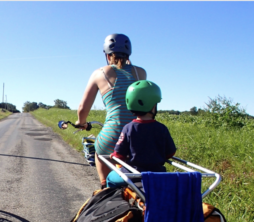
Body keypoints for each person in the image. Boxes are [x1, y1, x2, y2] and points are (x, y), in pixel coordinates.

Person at [71, 34, 147, 189]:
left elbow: (83, 108)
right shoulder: (141, 73)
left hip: (113, 135)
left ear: (107, 55)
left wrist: (81, 122)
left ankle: (105, 188)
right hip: (140, 134)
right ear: (128, 54)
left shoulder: (100, 73)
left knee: (99, 150)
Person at [106, 80, 177, 188]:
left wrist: (115, 155)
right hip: (157, 175)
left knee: (110, 178)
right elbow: (170, 153)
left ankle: (109, 200)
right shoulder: (162, 128)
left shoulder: (128, 128)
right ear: (153, 106)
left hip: (132, 174)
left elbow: (119, 155)